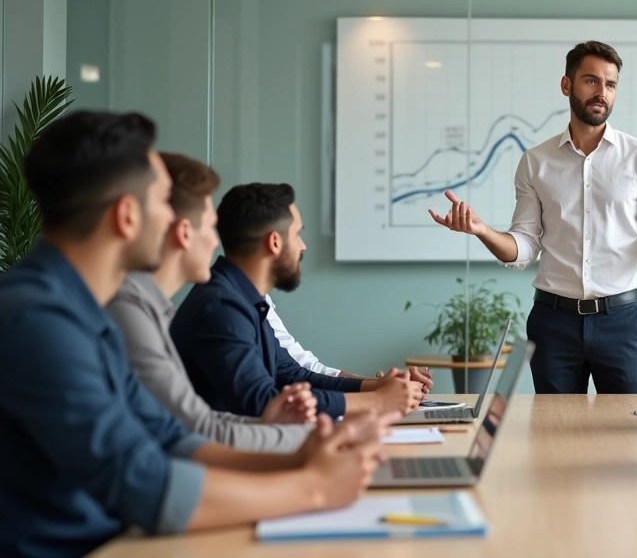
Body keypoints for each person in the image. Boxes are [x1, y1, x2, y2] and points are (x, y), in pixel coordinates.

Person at [0, 111, 393, 557]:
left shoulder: (85, 310)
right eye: (163, 201)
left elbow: (171, 438)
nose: (176, 221)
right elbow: (141, 482)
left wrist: (304, 455)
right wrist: (313, 487)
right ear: (127, 216)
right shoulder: (37, 320)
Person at [429, 40, 637, 394]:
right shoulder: (535, 162)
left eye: (611, 84)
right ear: (566, 85)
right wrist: (482, 231)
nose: (602, 92)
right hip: (552, 323)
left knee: (629, 424)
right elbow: (523, 248)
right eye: (591, 81)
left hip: (621, 321)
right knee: (555, 427)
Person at [108, 153, 317, 453]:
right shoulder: (134, 311)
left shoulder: (153, 309)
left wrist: (281, 431)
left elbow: (193, 423)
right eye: (208, 227)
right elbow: (191, 432)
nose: (216, 241)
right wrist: (313, 443)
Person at [171, 183, 432, 420]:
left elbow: (293, 375)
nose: (303, 246)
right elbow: (261, 403)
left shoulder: (242, 299)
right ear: (274, 242)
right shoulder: (221, 307)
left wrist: (379, 387)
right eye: (297, 234)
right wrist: (377, 401)